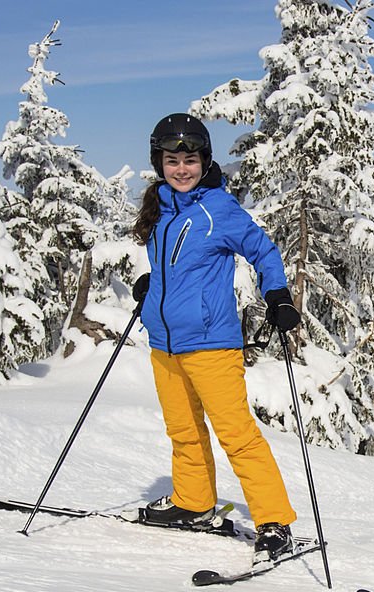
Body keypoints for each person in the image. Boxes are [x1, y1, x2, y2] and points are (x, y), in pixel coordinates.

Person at [131, 113, 301, 563]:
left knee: (236, 434)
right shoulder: (163, 210)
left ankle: (273, 522)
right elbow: (182, 270)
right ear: (159, 163)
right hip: (165, 344)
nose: (181, 168)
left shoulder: (218, 209)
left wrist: (278, 293)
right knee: (183, 431)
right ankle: (193, 502)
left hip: (210, 343)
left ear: (205, 161)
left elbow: (263, 250)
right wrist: (152, 285)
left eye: (190, 159)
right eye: (172, 160)